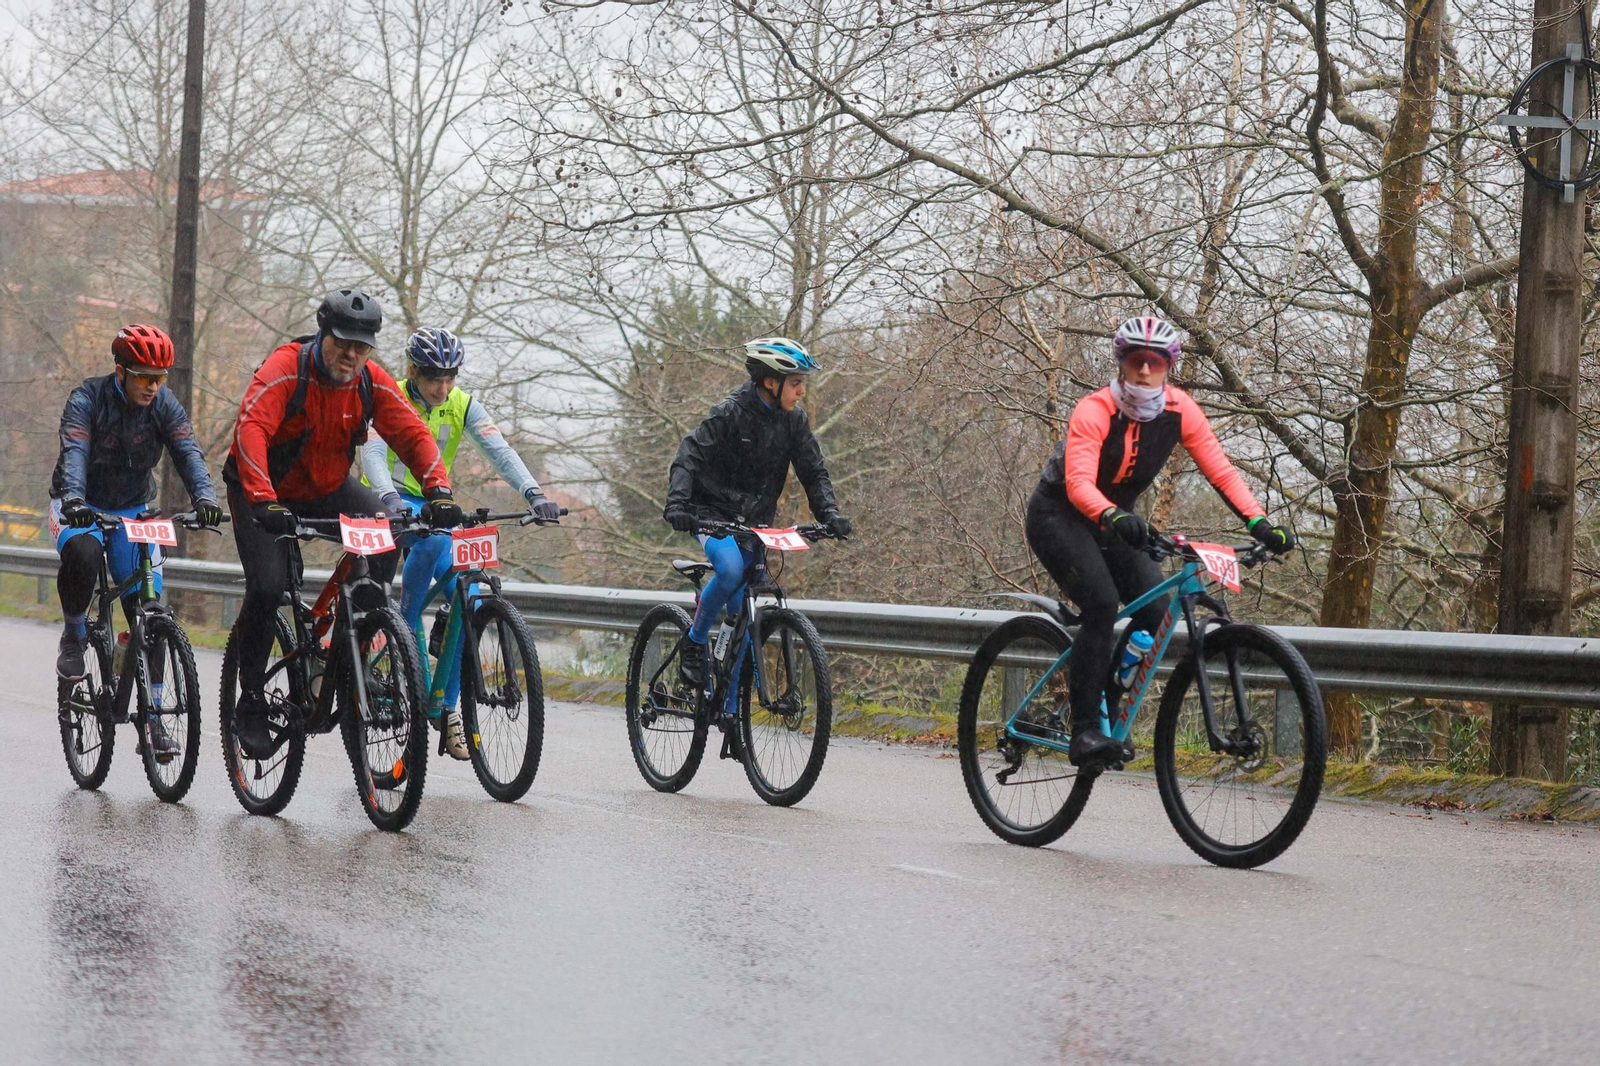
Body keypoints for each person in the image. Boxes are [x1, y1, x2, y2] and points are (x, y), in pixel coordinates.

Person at [1027, 315, 1296, 767]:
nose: (1145, 370)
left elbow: (1221, 470)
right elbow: (1078, 484)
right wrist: (1112, 513)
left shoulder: (1181, 410)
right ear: (1122, 363)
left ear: (1169, 366)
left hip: (1116, 521)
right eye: (1136, 360)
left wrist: (1259, 523)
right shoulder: (1095, 410)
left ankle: (1107, 704)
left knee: (1155, 612)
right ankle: (1085, 730)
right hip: (1059, 515)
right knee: (1101, 603)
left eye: (1155, 362)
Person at [224, 289, 462, 759]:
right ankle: (250, 702)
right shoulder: (285, 369)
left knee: (387, 531)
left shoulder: (370, 380)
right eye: (342, 343)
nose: (351, 355)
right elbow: (250, 431)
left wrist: (438, 489)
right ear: (321, 334)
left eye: (362, 346)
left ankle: (354, 643)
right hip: (263, 489)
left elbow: (412, 432)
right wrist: (263, 500)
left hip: (327, 485)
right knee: (268, 589)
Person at [361, 326, 562, 759]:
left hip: (435, 501)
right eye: (435, 377)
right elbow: (373, 454)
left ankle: (447, 708)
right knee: (413, 567)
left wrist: (534, 494)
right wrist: (390, 498)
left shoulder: (462, 404)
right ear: (413, 371)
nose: (444, 386)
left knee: (467, 594)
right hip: (386, 503)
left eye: (451, 377)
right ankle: (402, 647)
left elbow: (501, 452)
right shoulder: (388, 394)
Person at [49, 324, 223, 757]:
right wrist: (73, 496)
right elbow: (74, 449)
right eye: (145, 376)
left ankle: (154, 718)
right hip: (80, 503)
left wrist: (204, 496)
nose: (154, 385)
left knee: (149, 608)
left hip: (132, 510)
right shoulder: (87, 399)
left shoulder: (164, 404)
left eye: (160, 377)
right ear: (121, 371)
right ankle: (74, 635)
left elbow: (187, 449)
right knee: (85, 552)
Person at [662, 337, 851, 685]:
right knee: (731, 570)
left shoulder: (794, 422)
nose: (802, 392)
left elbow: (813, 471)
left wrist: (829, 515)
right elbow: (688, 455)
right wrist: (678, 504)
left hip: (754, 524)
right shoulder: (730, 412)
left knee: (742, 622)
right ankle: (695, 640)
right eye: (796, 384)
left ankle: (733, 723)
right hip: (710, 514)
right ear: (770, 381)